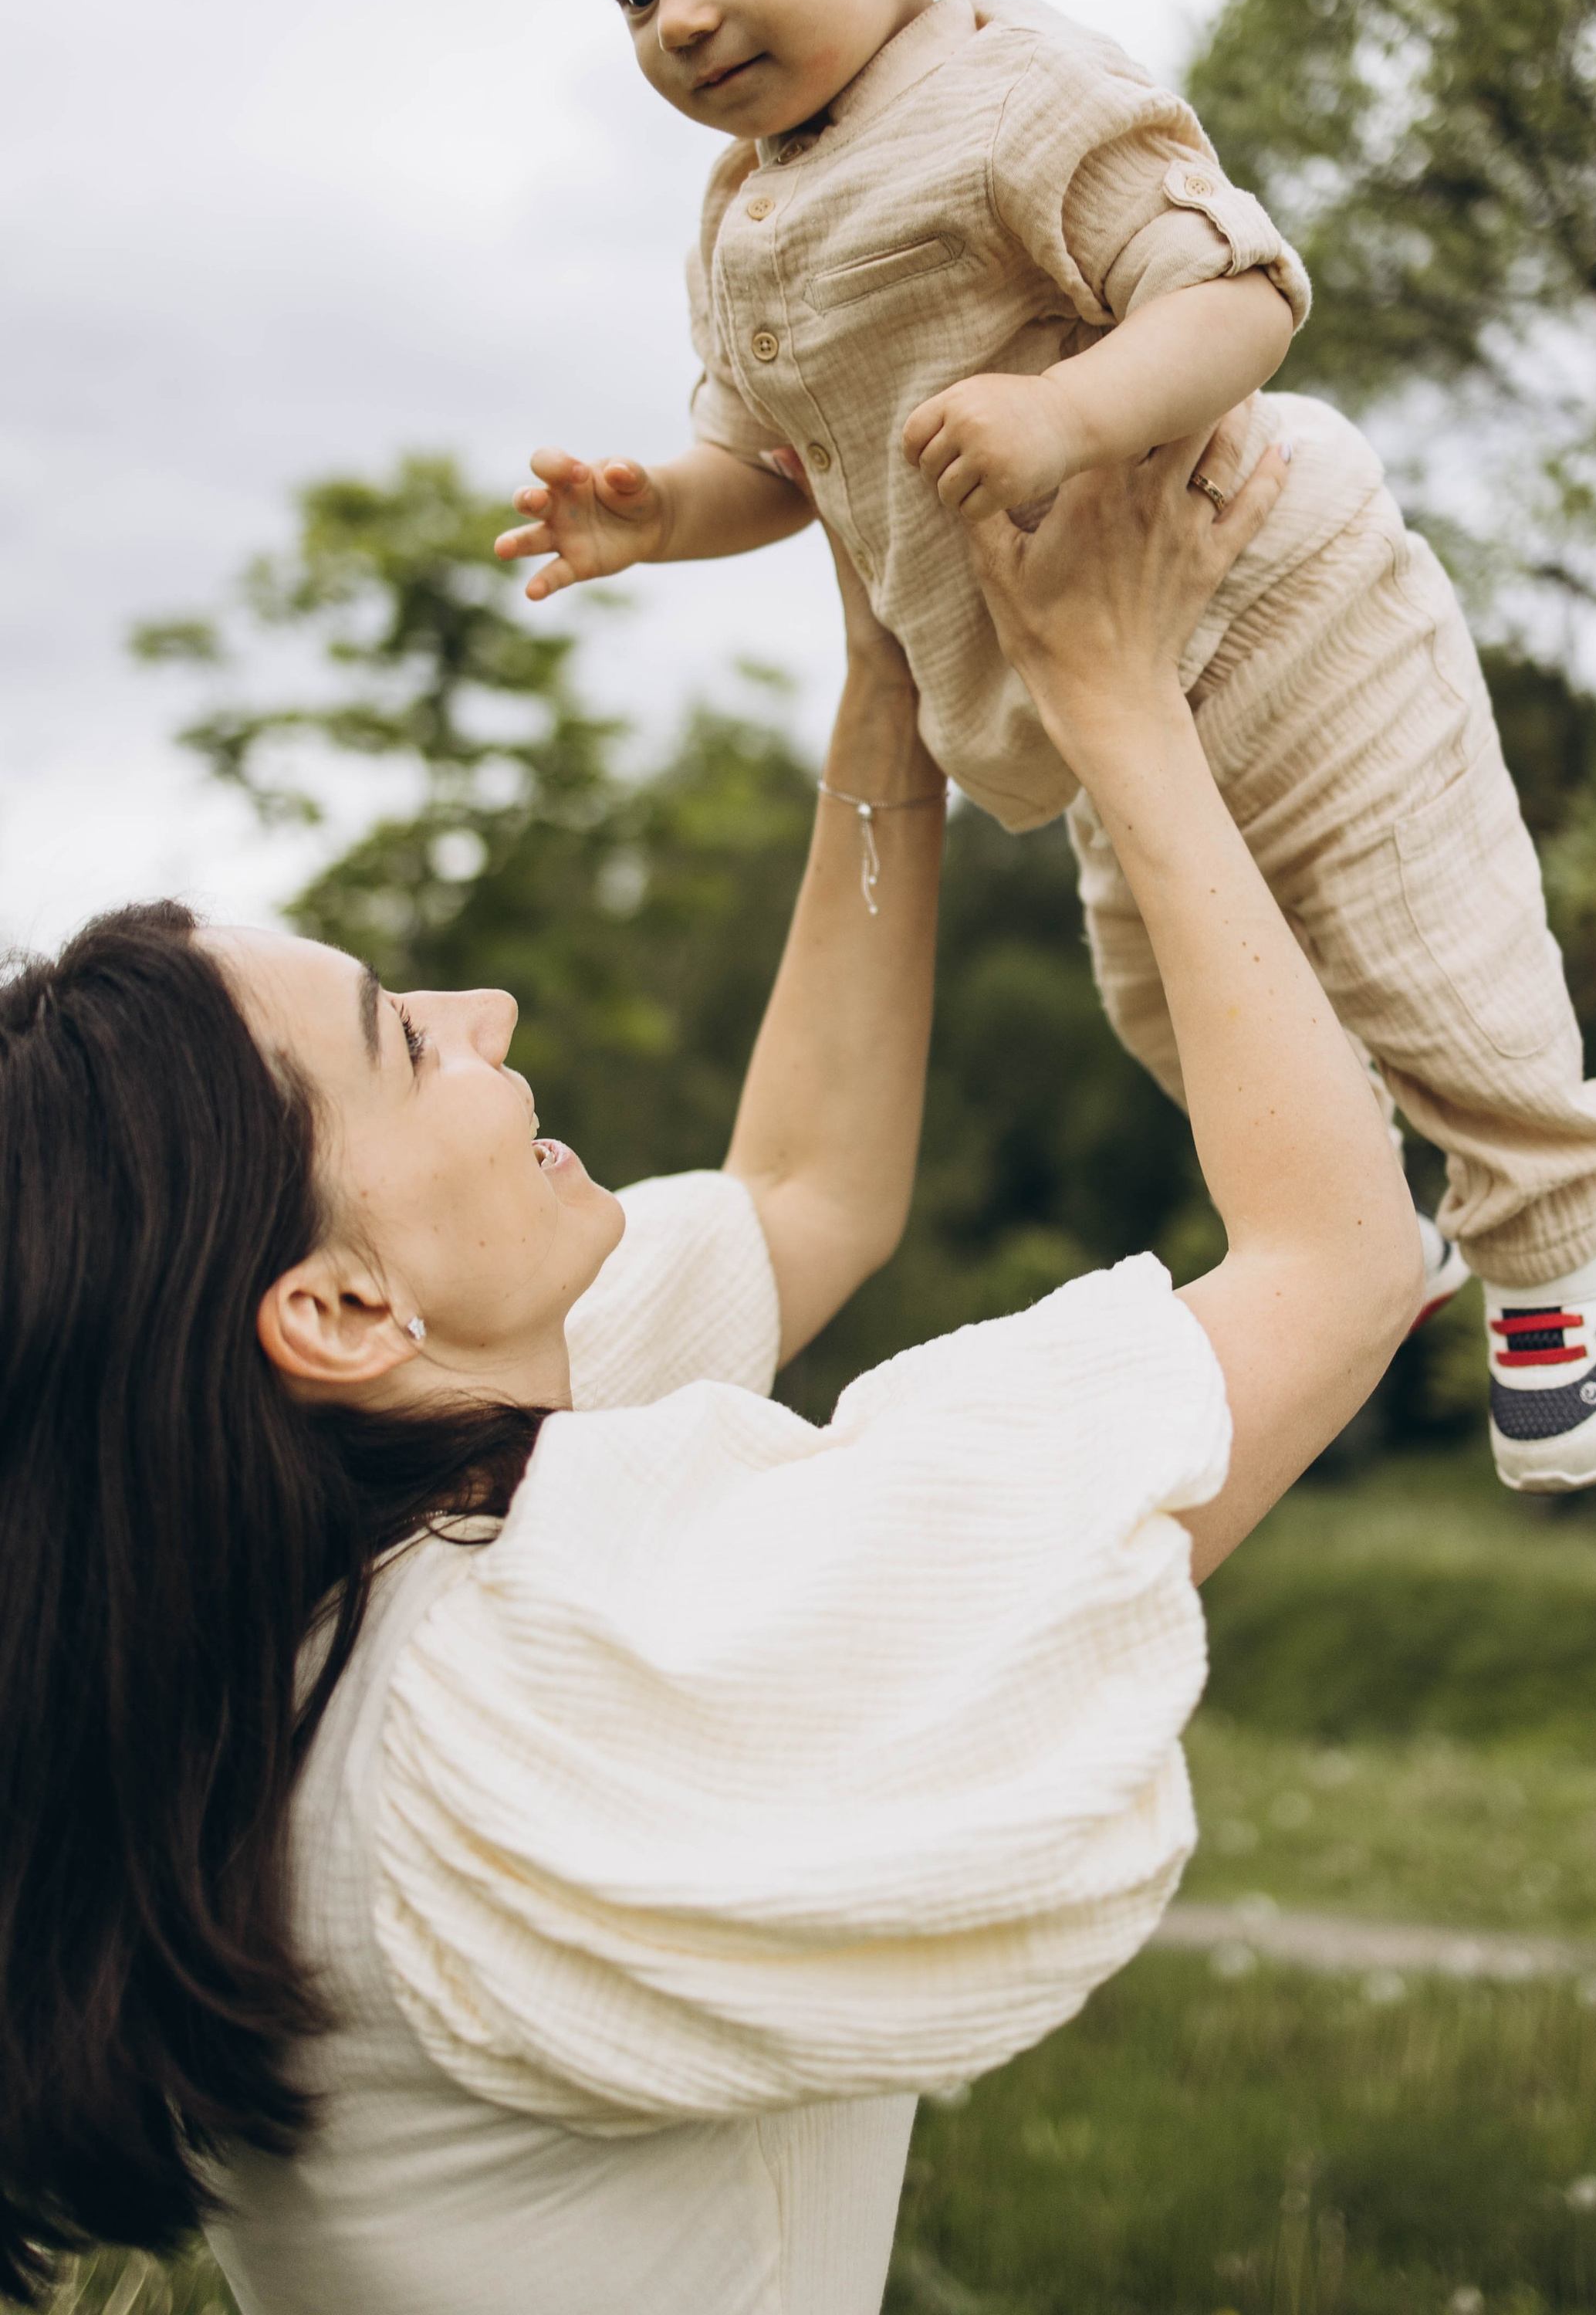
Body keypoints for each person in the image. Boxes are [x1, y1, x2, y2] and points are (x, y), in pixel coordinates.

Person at [0, 425, 1422, 2315]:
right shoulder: (546, 1692)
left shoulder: (328, 1539)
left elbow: (806, 1189)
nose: (483, 1012)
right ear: (337, 1313)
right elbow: (1340, 1266)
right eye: (404, 1042)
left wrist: (885, 681)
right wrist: (1114, 695)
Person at [496, 0, 1596, 1495]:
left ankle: (1562, 1236)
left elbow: (1239, 291)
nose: (679, 17)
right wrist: (662, 514)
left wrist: (1069, 415)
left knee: (1421, 947)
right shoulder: (738, 225)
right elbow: (780, 469)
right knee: (1163, 1005)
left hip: (1273, 601)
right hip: (1079, 705)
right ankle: (1369, 1213)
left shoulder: (1012, 95)